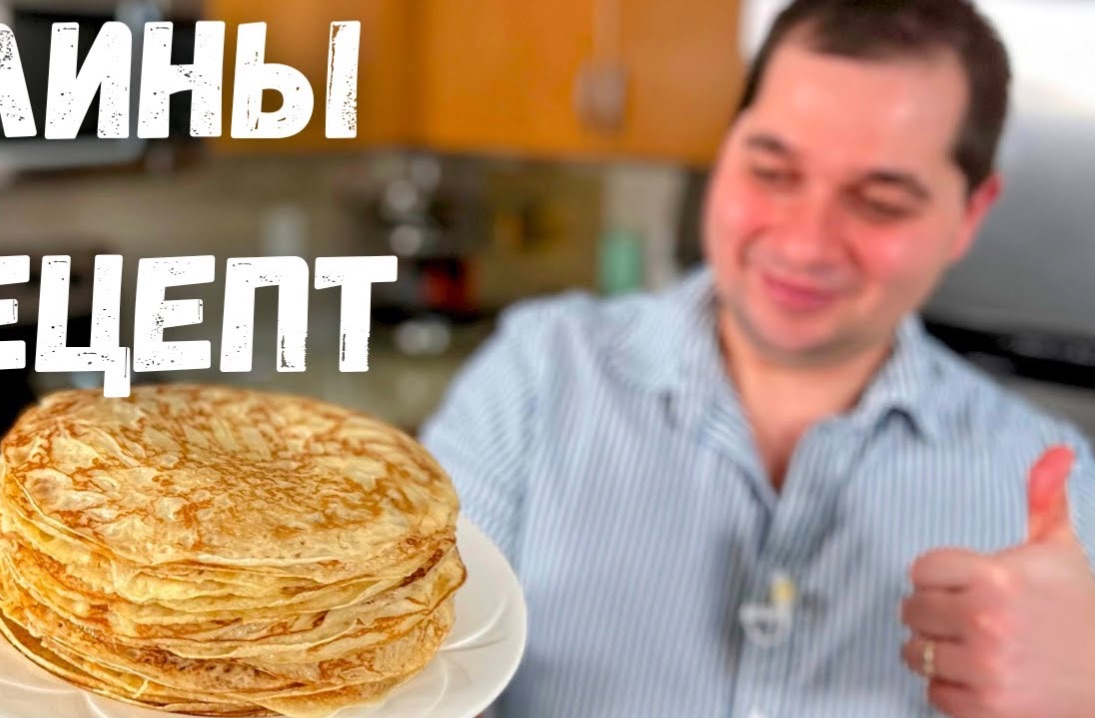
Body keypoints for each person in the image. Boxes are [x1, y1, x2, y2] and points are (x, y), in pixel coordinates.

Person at [418, 1, 1095, 717]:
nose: (804, 243)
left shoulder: (1054, 491)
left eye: (880, 202)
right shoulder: (537, 375)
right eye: (771, 171)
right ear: (727, 147)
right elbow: (405, 666)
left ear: (970, 214)